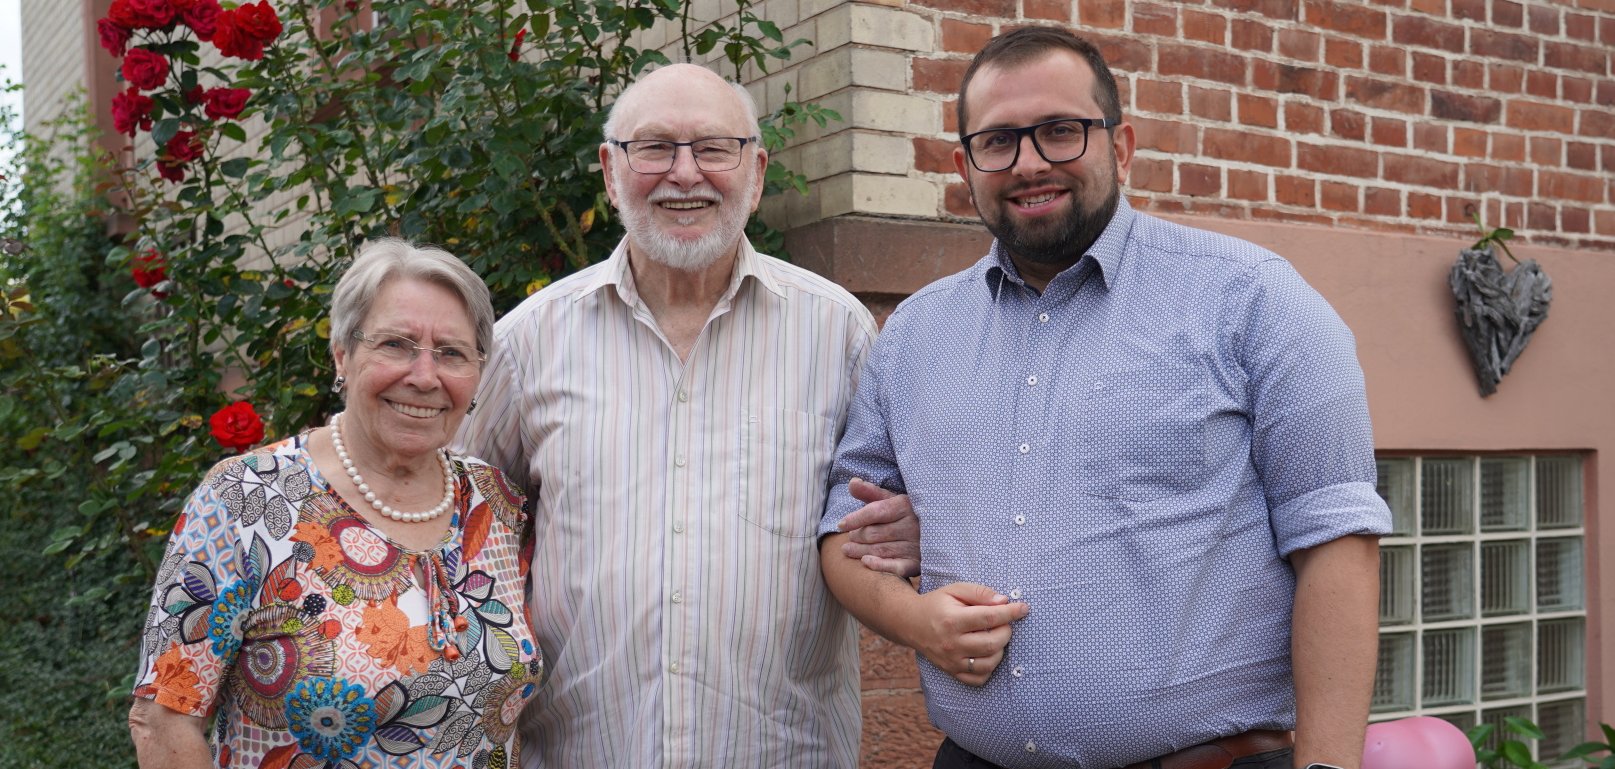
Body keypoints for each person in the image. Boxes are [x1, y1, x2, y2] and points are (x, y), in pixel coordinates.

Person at [818, 26, 1391, 769]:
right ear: (965, 166)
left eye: (1060, 131)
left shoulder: (1252, 299)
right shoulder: (912, 335)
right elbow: (842, 533)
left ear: (1120, 147)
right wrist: (915, 620)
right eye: (998, 142)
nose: (1029, 163)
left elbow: (1336, 540)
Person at [454, 63, 882, 767]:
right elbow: (459, 535)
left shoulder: (838, 333)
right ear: (610, 171)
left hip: (785, 753)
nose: (685, 174)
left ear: (756, 171)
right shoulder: (528, 342)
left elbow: (888, 519)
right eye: (653, 147)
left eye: (714, 148)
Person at [129, 239, 544, 768]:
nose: (424, 376)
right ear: (342, 354)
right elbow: (165, 719)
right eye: (395, 344)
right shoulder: (245, 498)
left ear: (478, 373)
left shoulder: (498, 504)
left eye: (451, 353)